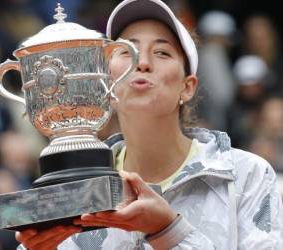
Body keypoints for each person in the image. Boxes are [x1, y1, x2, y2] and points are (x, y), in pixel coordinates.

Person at [15, 0, 283, 249]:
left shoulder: (246, 175)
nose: (142, 63)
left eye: (162, 52)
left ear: (187, 87)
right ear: (104, 80)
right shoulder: (74, 192)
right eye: (126, 51)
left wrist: (169, 231)